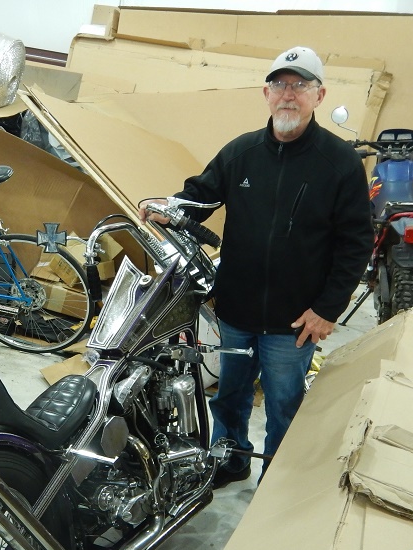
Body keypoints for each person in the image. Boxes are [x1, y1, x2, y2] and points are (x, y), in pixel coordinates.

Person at [140, 46, 372, 487]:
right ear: (267, 94)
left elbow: (357, 243)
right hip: (237, 309)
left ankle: (274, 484)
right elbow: (200, 195)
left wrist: (327, 309)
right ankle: (231, 461)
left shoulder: (339, 162)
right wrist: (169, 207)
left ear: (319, 96)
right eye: (280, 84)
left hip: (295, 319)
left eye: (300, 85)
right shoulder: (241, 153)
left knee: (284, 406)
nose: (289, 94)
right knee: (229, 397)